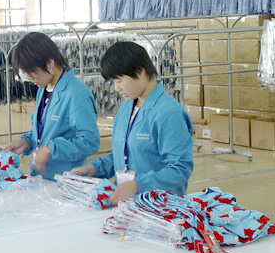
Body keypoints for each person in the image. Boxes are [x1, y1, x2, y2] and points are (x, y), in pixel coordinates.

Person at [71, 41, 194, 204]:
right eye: (113, 82)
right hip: (127, 206)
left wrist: (138, 185)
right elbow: (123, 154)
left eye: (119, 81)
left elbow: (179, 169)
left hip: (159, 206)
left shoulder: (170, 113)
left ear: (140, 71)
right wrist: (94, 169)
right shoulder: (126, 108)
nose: (116, 88)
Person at [4, 32, 100, 180]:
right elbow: (44, 130)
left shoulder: (76, 93)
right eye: (26, 73)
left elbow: (89, 141)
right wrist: (26, 142)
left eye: (32, 72)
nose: (30, 78)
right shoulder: (43, 89)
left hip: (64, 179)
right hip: (41, 178)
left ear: (50, 63)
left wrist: (51, 149)